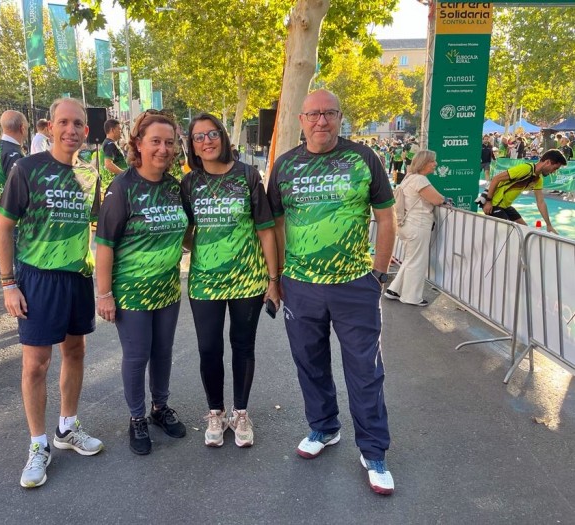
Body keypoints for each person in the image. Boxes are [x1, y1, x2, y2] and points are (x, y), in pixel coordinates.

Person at [267, 90, 396, 495]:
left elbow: (387, 218)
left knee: (364, 370)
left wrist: (377, 274)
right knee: (310, 362)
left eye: (329, 113)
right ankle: (324, 428)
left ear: (340, 117)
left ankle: (374, 450)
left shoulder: (364, 158)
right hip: (301, 286)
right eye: (314, 114)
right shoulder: (285, 166)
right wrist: (279, 277)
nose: (321, 121)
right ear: (301, 120)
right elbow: (275, 226)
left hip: (355, 285)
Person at [0, 98, 103, 488]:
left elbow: (96, 226)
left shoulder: (91, 174)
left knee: (75, 351)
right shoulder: (26, 169)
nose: (71, 130)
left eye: (78, 124)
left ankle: (67, 428)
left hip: (76, 276)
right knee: (35, 364)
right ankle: (38, 444)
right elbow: (4, 228)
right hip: (38, 278)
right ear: (50, 127)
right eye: (64, 123)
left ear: (85, 132)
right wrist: (8, 283)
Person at [181, 113, 279, 448]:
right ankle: (215, 412)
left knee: (242, 346)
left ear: (222, 137)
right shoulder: (189, 183)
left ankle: (240, 413)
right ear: (192, 145)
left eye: (211, 134)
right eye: (198, 137)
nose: (206, 141)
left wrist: (273, 279)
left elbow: (266, 229)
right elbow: (184, 230)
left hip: (247, 280)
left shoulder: (248, 176)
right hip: (204, 281)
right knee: (208, 348)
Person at [95, 109, 188, 456]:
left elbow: (186, 233)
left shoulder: (173, 187)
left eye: (169, 142)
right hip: (131, 292)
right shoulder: (121, 188)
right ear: (138, 144)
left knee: (163, 352)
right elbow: (104, 245)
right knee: (137, 356)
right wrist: (104, 294)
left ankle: (159, 408)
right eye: (155, 142)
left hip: (167, 290)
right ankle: (137, 418)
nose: (163, 149)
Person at [384, 150, 445, 306]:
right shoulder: (420, 180)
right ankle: (411, 297)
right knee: (417, 262)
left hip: (407, 225)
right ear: (424, 163)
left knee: (411, 259)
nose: (435, 164)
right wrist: (445, 199)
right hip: (417, 225)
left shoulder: (408, 178)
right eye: (433, 161)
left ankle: (394, 290)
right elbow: (437, 199)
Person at [481, 149, 567, 234]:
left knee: (525, 231)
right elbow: (496, 179)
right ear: (548, 162)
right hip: (494, 204)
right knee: (509, 234)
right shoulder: (526, 168)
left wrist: (549, 225)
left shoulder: (538, 179)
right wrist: (488, 201)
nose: (553, 172)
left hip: (506, 206)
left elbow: (540, 202)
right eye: (555, 168)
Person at [0, 110, 28, 202]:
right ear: (22, 128)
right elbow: (19, 188)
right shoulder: (14, 153)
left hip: (3, 205)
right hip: (13, 209)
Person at [99, 118, 127, 190]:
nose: (121, 131)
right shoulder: (110, 144)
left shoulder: (108, 143)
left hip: (114, 184)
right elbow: (108, 164)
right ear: (112, 130)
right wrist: (124, 174)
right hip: (114, 184)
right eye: (119, 129)